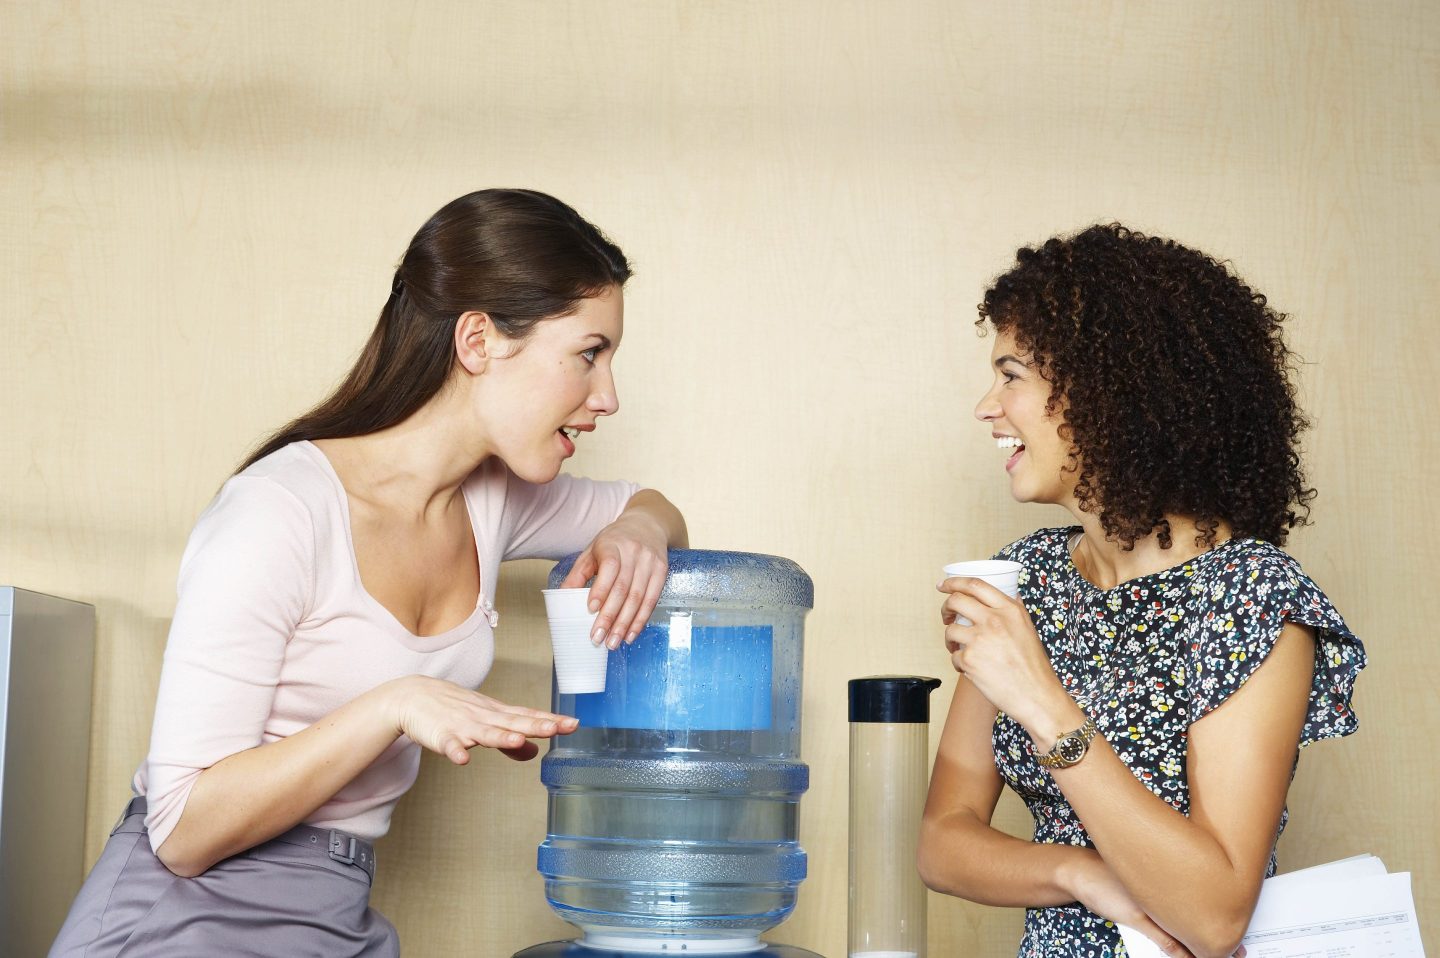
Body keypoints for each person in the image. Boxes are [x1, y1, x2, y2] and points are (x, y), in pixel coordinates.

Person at [51, 189, 688, 957]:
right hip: (179, 917)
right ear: (479, 340)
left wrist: (642, 535)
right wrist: (395, 705)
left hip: (333, 911)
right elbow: (184, 830)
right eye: (589, 354)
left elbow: (652, 506)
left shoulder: (494, 503)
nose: (608, 396)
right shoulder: (278, 513)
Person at [918, 224, 1365, 958]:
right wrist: (1081, 872)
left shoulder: (1252, 600)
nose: (987, 407)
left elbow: (1214, 913)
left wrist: (1039, 699)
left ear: (1105, 390)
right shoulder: (1026, 581)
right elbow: (942, 842)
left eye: (1013, 375)